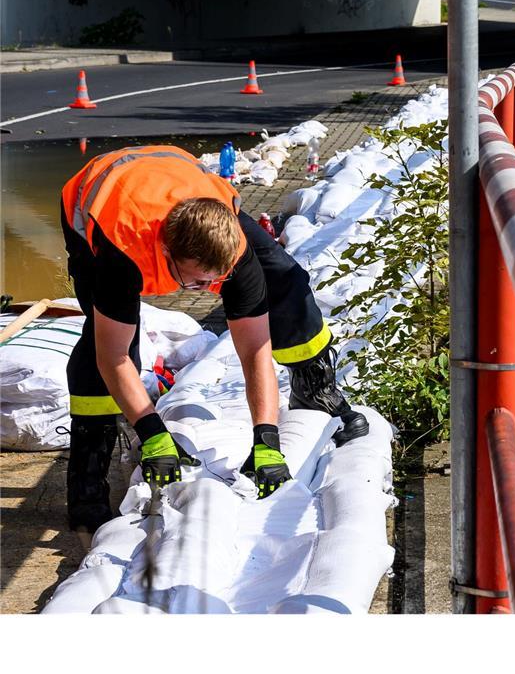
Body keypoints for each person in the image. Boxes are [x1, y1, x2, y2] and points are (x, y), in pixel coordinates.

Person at [60, 144, 368, 542]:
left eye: (217, 282)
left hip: (181, 181)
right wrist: (153, 431)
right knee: (111, 337)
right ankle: (87, 480)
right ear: (166, 252)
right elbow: (112, 355)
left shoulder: (235, 255)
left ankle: (316, 391)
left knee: (286, 280)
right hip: (99, 201)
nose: (209, 291)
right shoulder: (121, 254)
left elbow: (254, 350)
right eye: (199, 282)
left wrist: (267, 438)